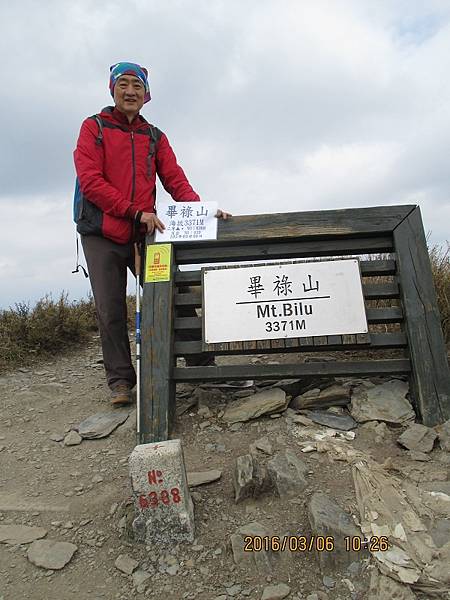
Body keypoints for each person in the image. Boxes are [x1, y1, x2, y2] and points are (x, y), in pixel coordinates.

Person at [74, 61, 230, 406]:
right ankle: (120, 383)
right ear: (112, 89)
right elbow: (90, 182)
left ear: (147, 95)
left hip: (146, 234)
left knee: (172, 294)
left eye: (137, 86)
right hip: (101, 232)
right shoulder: (93, 128)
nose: (130, 91)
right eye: (123, 84)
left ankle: (202, 365)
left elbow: (175, 179)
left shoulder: (154, 136)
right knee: (110, 309)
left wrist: (201, 210)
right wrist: (133, 211)